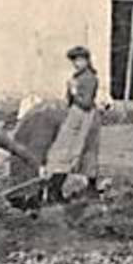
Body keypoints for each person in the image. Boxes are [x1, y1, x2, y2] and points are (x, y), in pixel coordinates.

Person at [45, 45, 102, 198]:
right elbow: (71, 102)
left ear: (87, 61)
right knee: (65, 151)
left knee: (86, 152)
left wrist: (74, 92)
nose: (77, 64)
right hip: (76, 115)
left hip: (86, 117)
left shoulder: (90, 78)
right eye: (75, 61)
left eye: (80, 60)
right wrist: (70, 93)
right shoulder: (76, 78)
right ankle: (55, 188)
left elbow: (86, 103)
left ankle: (91, 188)